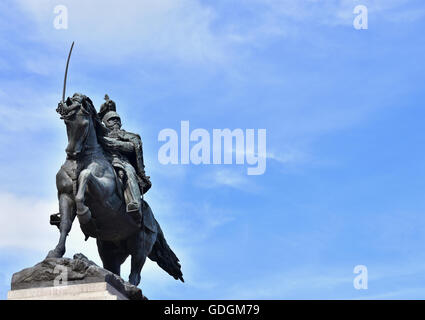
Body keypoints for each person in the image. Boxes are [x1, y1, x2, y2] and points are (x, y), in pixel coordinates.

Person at [99, 98, 152, 225]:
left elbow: (132, 147)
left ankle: (134, 203)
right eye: (112, 119)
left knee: (130, 172)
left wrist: (113, 144)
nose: (115, 121)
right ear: (106, 122)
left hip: (122, 162)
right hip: (104, 161)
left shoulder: (129, 136)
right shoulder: (99, 135)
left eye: (117, 119)